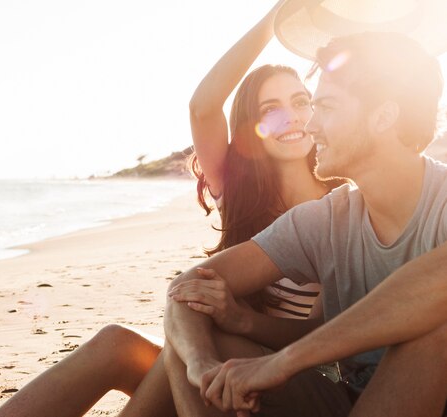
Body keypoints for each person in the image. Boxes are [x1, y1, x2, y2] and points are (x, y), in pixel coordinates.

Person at [0, 2, 337, 416]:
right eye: (271, 109)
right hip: (213, 367)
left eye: (301, 102)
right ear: (254, 128)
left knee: (190, 337)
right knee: (117, 344)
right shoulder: (240, 192)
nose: (292, 117)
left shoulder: (339, 204)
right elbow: (203, 107)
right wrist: (278, 18)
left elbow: (321, 333)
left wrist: (234, 320)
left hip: (291, 378)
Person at [164, 31, 447, 417]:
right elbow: (187, 288)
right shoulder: (327, 218)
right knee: (200, 336)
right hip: (351, 401)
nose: (311, 125)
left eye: (325, 107)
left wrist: (284, 362)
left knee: (434, 329)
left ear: (383, 116)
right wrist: (202, 366)